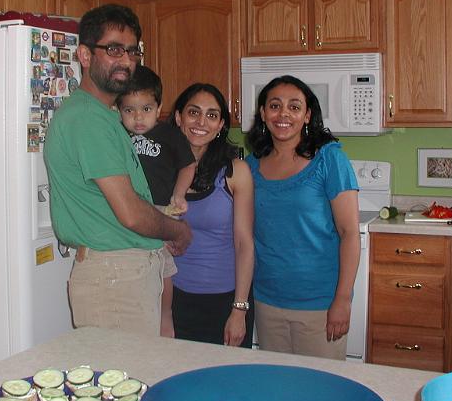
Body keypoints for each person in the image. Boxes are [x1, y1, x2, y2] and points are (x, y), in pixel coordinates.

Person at [43, 4, 192, 337]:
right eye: (113, 49)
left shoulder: (102, 116)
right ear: (84, 55)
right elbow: (131, 213)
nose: (126, 60)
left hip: (121, 274)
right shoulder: (89, 119)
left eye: (132, 51)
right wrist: (178, 231)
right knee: (124, 384)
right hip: (114, 278)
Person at [245, 75, 360, 358]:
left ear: (307, 115)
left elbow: (349, 234)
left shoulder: (329, 159)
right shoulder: (250, 166)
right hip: (267, 300)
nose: (283, 114)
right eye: (274, 105)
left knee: (321, 393)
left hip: (319, 303)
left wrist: (342, 300)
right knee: (279, 390)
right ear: (262, 113)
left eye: (294, 107)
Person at [169, 83, 255, 347]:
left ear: (220, 126)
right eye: (193, 112)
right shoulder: (161, 169)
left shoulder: (235, 172)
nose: (201, 122)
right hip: (173, 299)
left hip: (224, 301)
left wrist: (239, 310)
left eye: (212, 115)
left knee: (227, 384)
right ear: (178, 117)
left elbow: (244, 244)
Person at [117, 65, 197, 337]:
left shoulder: (170, 135)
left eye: (146, 109)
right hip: (127, 209)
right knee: (135, 269)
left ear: (159, 106)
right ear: (118, 110)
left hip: (161, 210)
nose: (138, 118)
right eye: (129, 110)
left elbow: (188, 165)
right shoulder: (116, 134)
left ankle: (165, 317)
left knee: (164, 270)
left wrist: (179, 193)